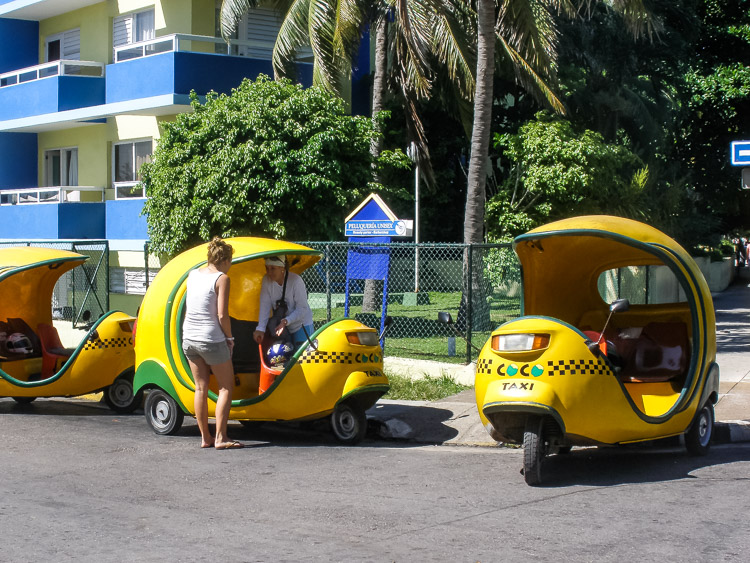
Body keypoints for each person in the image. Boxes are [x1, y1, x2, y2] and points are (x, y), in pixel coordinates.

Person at [182, 236, 243, 450]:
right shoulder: (221, 278)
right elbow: (222, 315)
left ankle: (205, 438)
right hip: (211, 339)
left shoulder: (192, 275)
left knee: (200, 388)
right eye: (231, 261)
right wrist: (230, 339)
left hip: (189, 337)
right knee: (226, 387)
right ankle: (221, 437)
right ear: (225, 260)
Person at [253, 255, 314, 350]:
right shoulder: (266, 280)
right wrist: (260, 328)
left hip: (301, 324)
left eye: (273, 268)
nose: (269, 272)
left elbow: (302, 309)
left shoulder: (296, 281)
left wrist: (286, 321)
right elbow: (265, 305)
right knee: (283, 358)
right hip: (282, 327)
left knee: (303, 358)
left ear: (282, 268)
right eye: (267, 268)